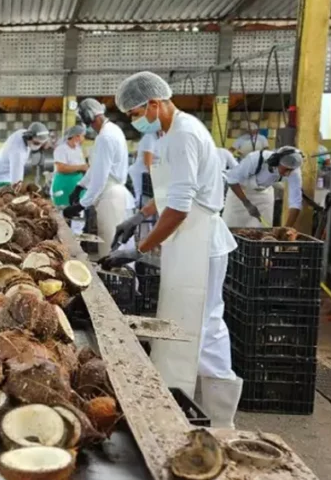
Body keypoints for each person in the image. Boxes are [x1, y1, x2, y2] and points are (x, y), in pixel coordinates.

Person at [103, 71, 241, 429]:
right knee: (180, 319)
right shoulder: (165, 137)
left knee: (206, 323)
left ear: (153, 103)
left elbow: (180, 208)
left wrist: (139, 247)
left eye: (134, 114)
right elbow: (169, 196)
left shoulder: (184, 135)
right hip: (184, 239)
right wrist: (139, 217)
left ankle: (221, 419)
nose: (134, 122)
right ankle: (179, 396)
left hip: (200, 239)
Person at [64, 98, 134, 258]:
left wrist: (81, 205)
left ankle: (116, 283)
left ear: (88, 116)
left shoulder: (105, 137)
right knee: (111, 249)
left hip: (111, 197)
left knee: (111, 251)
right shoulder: (110, 131)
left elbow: (100, 178)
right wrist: (80, 186)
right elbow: (96, 168)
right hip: (112, 194)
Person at [223, 146, 305, 228]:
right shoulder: (255, 159)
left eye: (291, 170)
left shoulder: (294, 170)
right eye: (285, 170)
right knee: (231, 228)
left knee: (262, 232)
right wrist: (247, 203)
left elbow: (295, 202)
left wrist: (287, 228)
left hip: (264, 195)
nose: (288, 174)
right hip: (239, 193)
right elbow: (232, 179)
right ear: (276, 161)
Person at [0, 121, 51, 189]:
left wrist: (44, 142)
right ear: (28, 137)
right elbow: (16, 183)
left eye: (42, 144)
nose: (39, 146)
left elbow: (39, 135)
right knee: (5, 198)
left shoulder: (23, 133)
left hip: (6, 175)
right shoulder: (17, 153)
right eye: (36, 143)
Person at [51, 124, 88, 206]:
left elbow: (83, 167)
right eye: (83, 136)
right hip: (64, 185)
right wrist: (81, 167)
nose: (84, 139)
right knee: (63, 210)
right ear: (76, 136)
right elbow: (61, 168)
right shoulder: (61, 149)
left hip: (76, 185)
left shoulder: (78, 149)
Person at [128, 128, 159, 208]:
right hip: (143, 174)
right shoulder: (150, 137)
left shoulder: (163, 138)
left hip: (152, 173)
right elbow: (147, 163)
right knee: (143, 202)